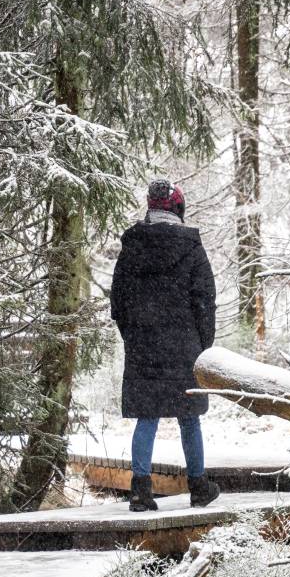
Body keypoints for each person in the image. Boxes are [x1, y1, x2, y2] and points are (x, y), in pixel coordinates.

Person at [109, 179, 221, 512]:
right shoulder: (191, 248)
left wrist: (133, 335)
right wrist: (203, 346)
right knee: (190, 418)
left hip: (143, 345)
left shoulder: (132, 248)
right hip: (186, 346)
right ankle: (199, 486)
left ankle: (140, 492)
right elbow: (205, 301)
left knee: (147, 417)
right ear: (178, 209)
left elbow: (119, 302)